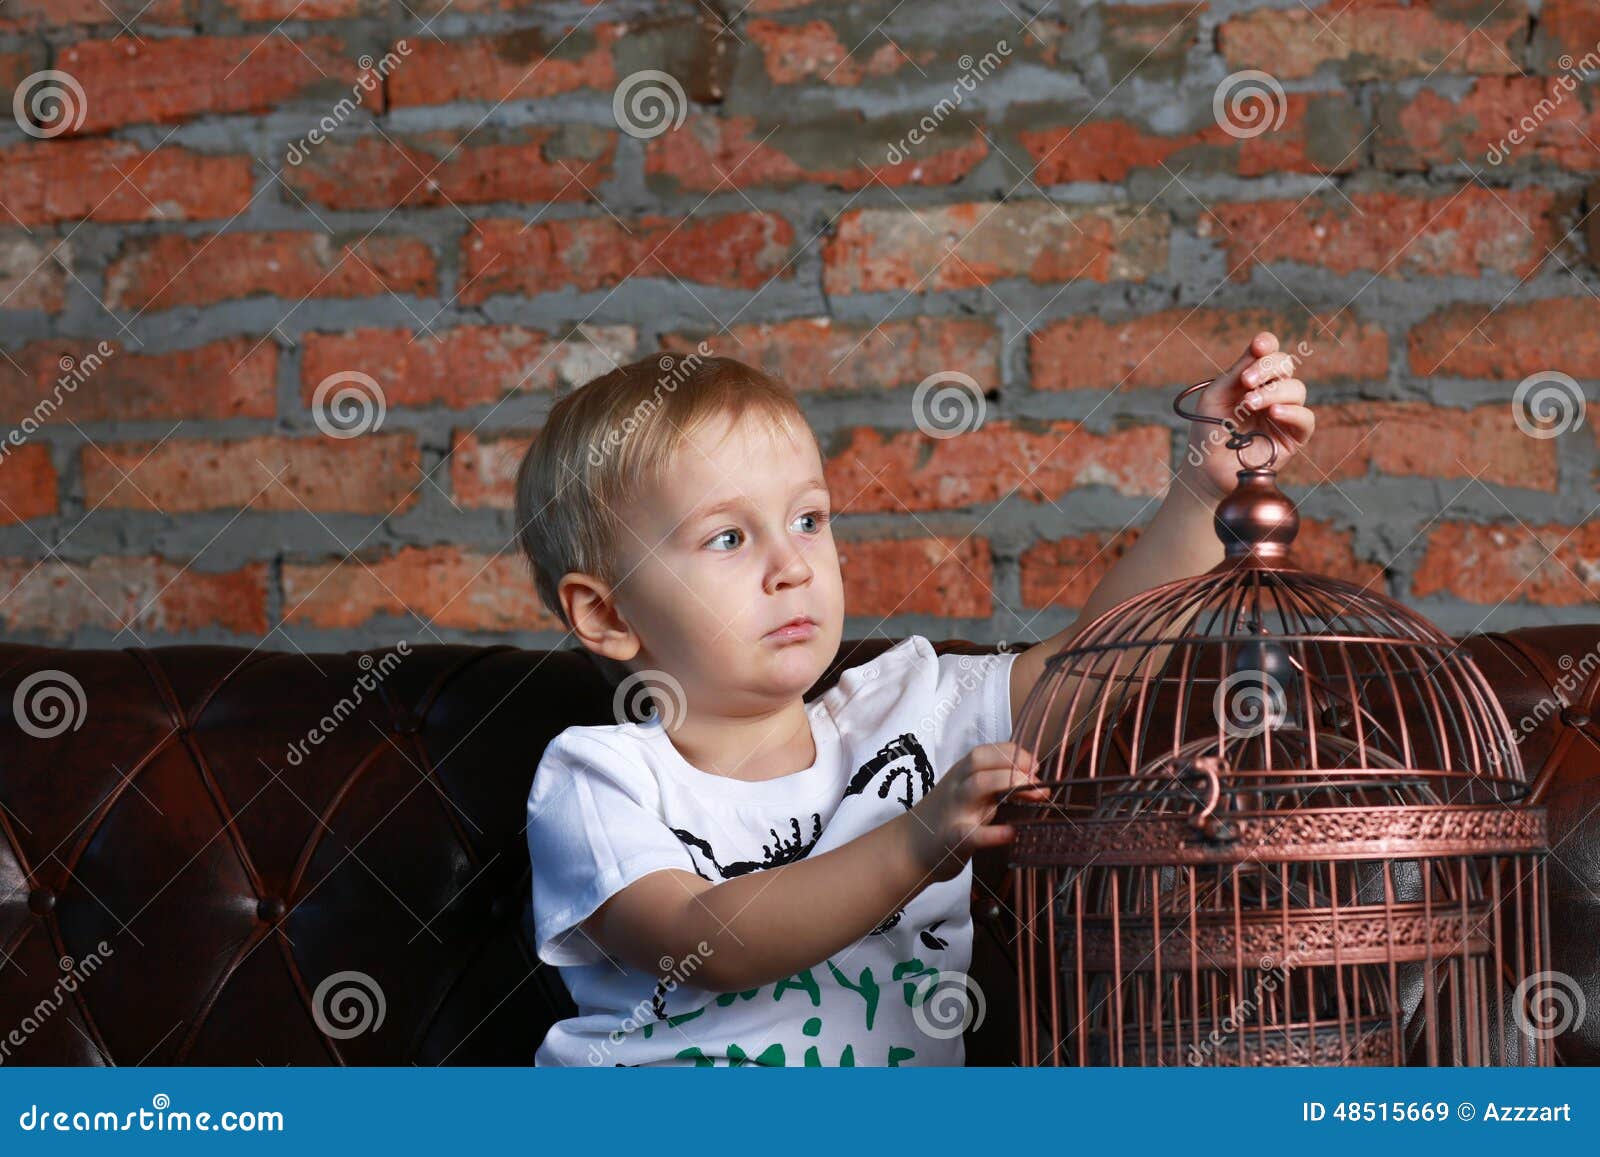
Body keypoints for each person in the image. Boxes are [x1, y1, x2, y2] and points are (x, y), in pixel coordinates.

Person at [515, 333, 1315, 1065]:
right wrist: (915, 841)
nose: (792, 565)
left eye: (807, 519)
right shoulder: (598, 778)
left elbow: (1097, 661)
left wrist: (1205, 487)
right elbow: (710, 941)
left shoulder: (908, 713)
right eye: (728, 537)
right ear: (609, 613)